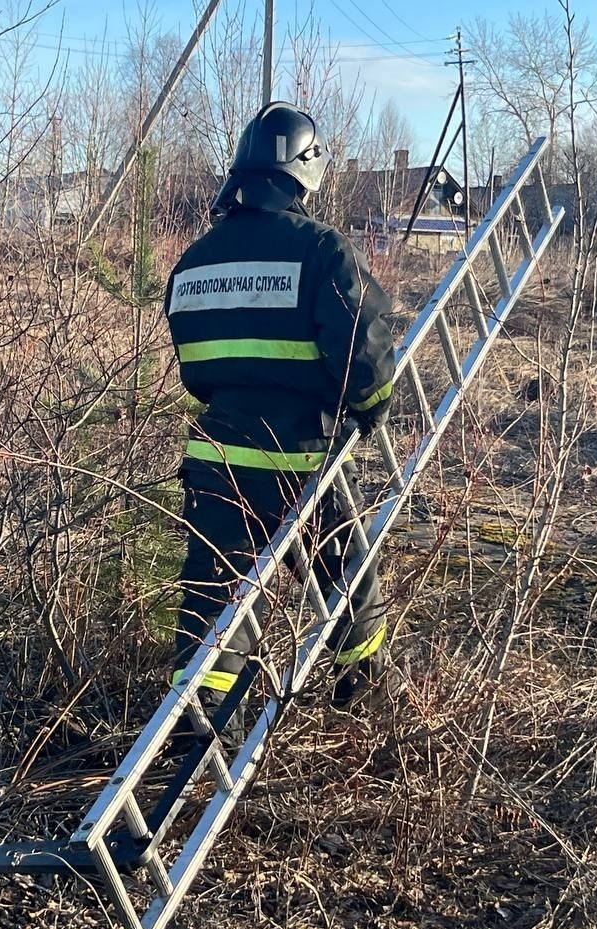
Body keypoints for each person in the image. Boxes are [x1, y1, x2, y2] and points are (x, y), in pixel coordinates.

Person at [163, 101, 396, 729]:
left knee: (217, 599)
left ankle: (202, 724)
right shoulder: (321, 251)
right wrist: (372, 411)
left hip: (216, 459)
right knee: (348, 579)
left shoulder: (192, 264)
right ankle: (359, 696)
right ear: (303, 171)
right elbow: (362, 355)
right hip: (297, 458)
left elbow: (197, 373)